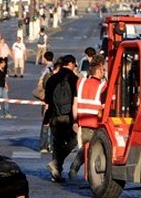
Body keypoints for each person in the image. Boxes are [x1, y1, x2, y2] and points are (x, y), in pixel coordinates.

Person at [69, 56, 107, 181]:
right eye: (103, 70)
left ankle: (75, 167)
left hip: (82, 123)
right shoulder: (102, 86)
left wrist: (75, 121)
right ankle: (91, 177)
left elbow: (75, 103)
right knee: (94, 151)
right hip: (97, 124)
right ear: (98, 71)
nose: (104, 72)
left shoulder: (80, 82)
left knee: (84, 149)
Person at [44, 54, 79, 183]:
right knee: (73, 141)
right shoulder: (75, 79)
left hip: (53, 115)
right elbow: (76, 101)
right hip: (68, 116)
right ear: (70, 64)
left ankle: (55, 173)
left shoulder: (52, 79)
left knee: (56, 143)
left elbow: (47, 99)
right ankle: (56, 163)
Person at [37, 52, 57, 154]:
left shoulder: (45, 70)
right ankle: (52, 146)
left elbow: (40, 83)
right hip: (56, 101)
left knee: (45, 123)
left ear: (45, 59)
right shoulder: (57, 68)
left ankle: (43, 146)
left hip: (47, 100)